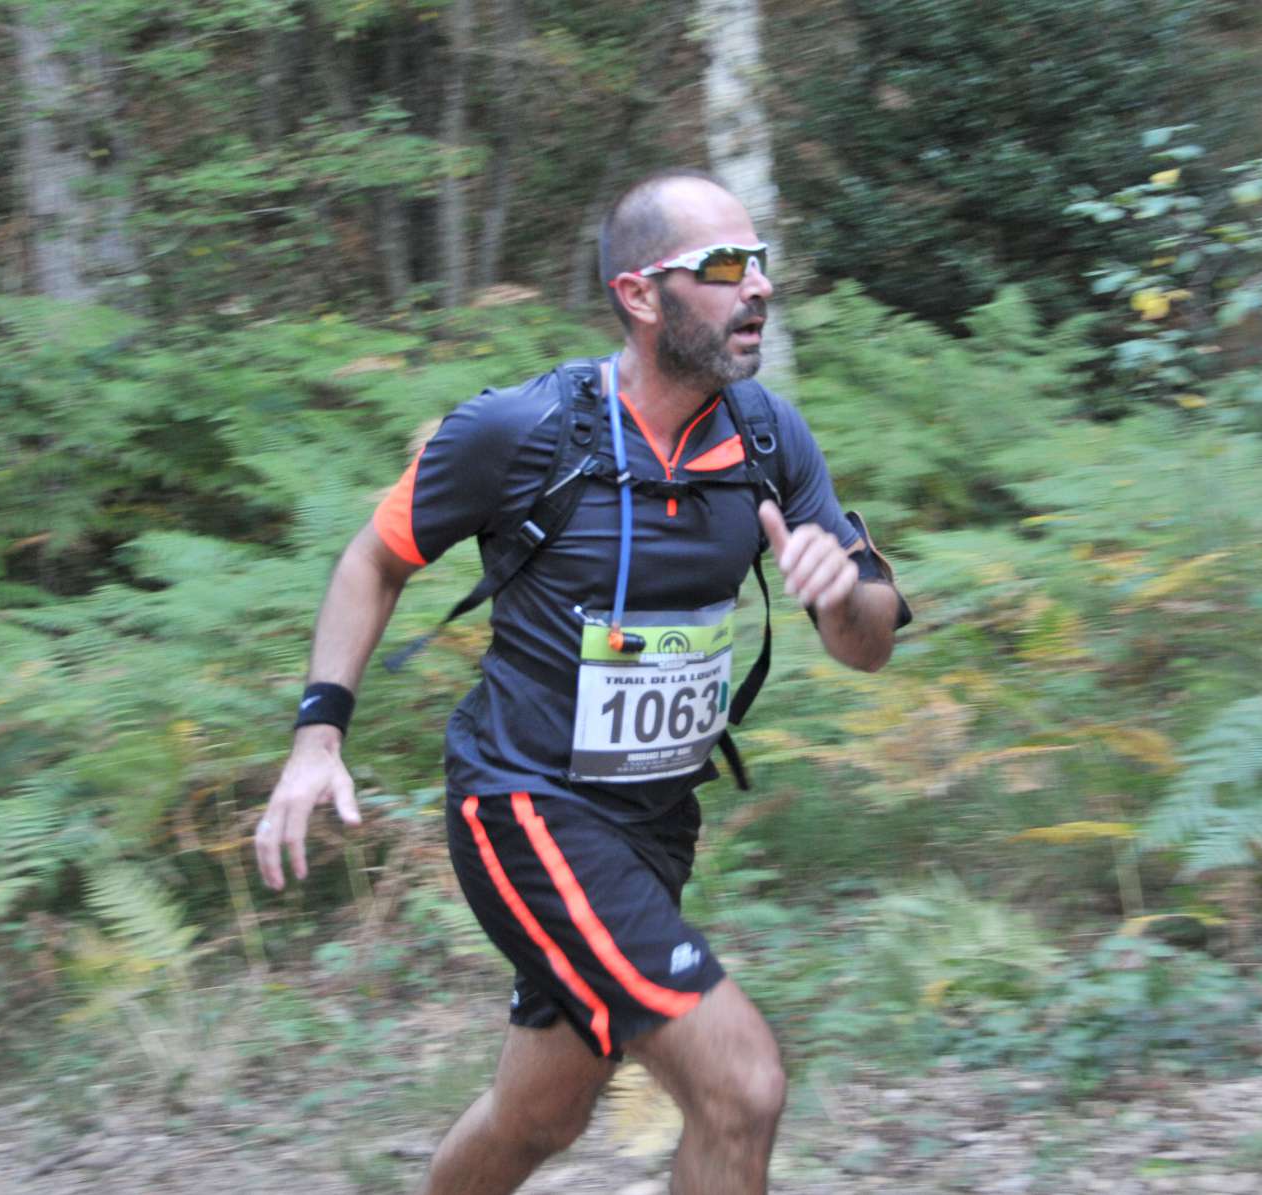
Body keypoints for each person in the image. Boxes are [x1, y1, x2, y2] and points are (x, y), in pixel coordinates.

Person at [254, 168, 909, 1195]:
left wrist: (843, 594)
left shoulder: (768, 438)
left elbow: (868, 643)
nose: (759, 287)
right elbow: (373, 558)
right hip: (523, 804)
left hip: (654, 822)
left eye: (761, 262)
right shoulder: (523, 431)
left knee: (539, 1113)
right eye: (724, 267)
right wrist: (317, 735)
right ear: (640, 294)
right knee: (742, 1086)